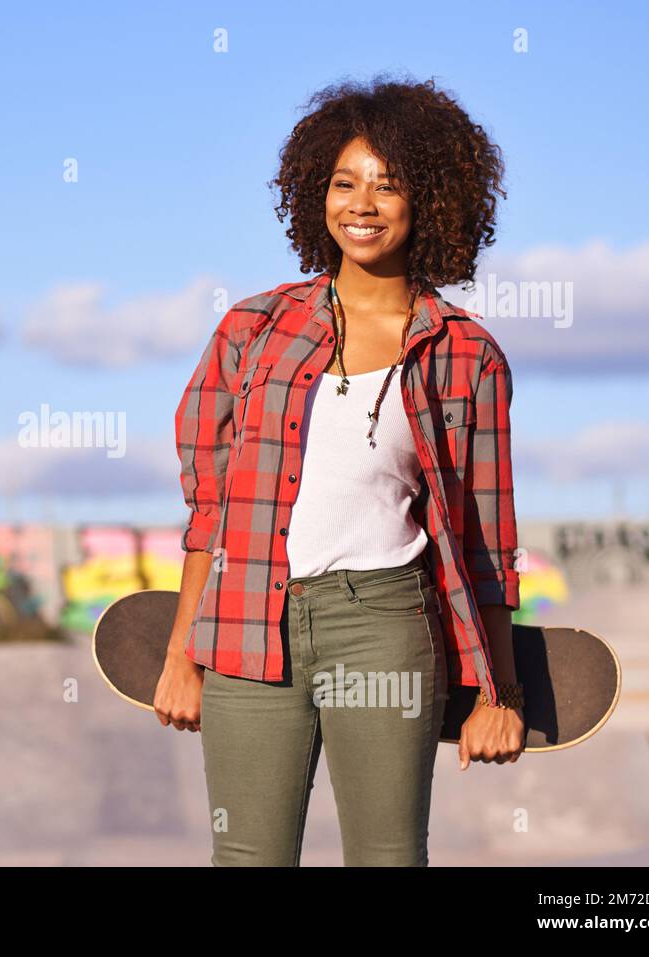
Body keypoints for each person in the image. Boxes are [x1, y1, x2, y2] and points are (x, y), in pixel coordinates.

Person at [156, 75, 525, 866]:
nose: (362, 202)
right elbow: (211, 512)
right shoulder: (252, 330)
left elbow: (485, 539)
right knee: (246, 858)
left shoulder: (465, 354)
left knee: (388, 858)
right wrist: (181, 652)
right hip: (249, 620)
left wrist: (502, 691)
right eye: (344, 181)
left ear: (430, 199)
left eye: (388, 184)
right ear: (314, 192)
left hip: (385, 621)